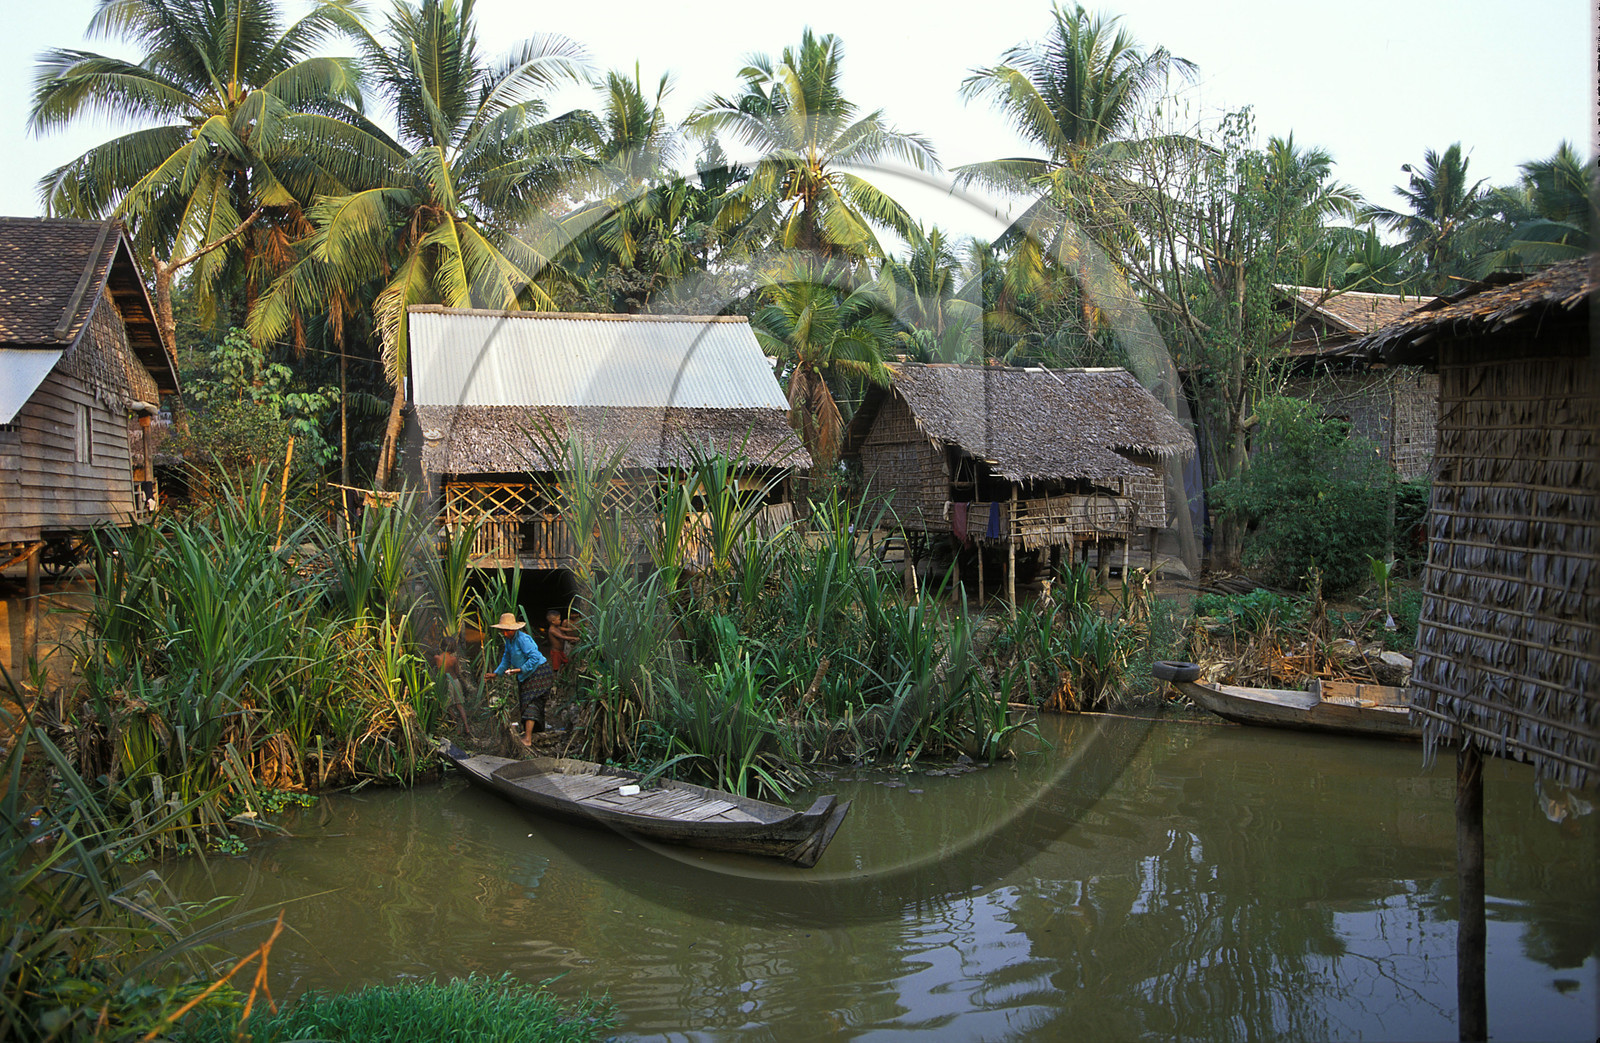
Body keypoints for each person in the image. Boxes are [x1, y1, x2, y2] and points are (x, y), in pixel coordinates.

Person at [487, 612, 550, 746]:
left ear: (514, 629)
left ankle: (527, 738)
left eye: (507, 631)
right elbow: (506, 659)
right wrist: (496, 673)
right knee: (526, 701)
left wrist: (520, 669)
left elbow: (534, 657)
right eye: (503, 631)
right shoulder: (509, 641)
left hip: (539, 673)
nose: (505, 634)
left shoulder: (523, 639)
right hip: (527, 674)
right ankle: (533, 732)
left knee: (531, 701)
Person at [432, 634, 472, 732]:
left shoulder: (437, 658)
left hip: (445, 683)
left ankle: (455, 723)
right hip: (455, 682)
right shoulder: (454, 659)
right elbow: (457, 672)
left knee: (448, 705)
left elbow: (436, 671)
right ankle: (466, 727)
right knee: (459, 705)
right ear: (453, 647)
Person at [544, 608, 578, 672]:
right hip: (556, 652)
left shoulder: (558, 627)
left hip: (561, 651)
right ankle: (555, 678)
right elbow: (562, 637)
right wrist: (575, 638)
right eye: (559, 619)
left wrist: (578, 629)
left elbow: (567, 630)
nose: (560, 621)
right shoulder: (552, 630)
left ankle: (561, 675)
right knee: (556, 668)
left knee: (566, 663)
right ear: (553, 621)